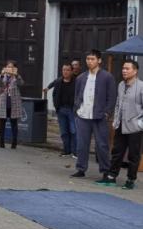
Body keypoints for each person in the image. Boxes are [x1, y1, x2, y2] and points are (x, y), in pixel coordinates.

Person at [72, 49, 116, 180]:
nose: (90, 62)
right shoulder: (81, 77)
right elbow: (77, 94)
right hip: (83, 115)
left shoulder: (107, 77)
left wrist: (107, 113)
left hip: (99, 116)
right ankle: (81, 169)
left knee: (102, 145)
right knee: (81, 144)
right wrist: (77, 109)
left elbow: (112, 97)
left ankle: (105, 170)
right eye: (88, 59)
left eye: (92, 59)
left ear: (99, 60)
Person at [100, 59, 143, 190]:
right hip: (120, 125)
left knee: (134, 155)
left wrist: (140, 123)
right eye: (123, 68)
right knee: (117, 152)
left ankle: (130, 180)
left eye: (127, 68)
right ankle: (112, 177)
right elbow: (118, 103)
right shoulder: (121, 85)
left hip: (135, 127)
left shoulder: (141, 86)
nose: (124, 70)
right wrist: (116, 120)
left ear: (135, 71)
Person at [44, 63, 77, 157]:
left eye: (67, 70)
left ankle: (75, 152)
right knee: (64, 131)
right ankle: (66, 150)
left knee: (74, 131)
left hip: (72, 109)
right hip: (61, 109)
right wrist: (56, 106)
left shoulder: (76, 81)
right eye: (63, 70)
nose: (65, 72)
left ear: (71, 71)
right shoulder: (59, 81)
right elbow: (53, 88)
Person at [0, 60, 24, 149]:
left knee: (14, 123)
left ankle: (14, 142)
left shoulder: (16, 77)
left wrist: (17, 75)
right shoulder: (3, 77)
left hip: (13, 103)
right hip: (3, 102)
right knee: (2, 122)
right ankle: (1, 141)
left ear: (14, 68)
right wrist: (1, 75)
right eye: (8, 66)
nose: (9, 68)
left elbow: (21, 83)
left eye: (11, 67)